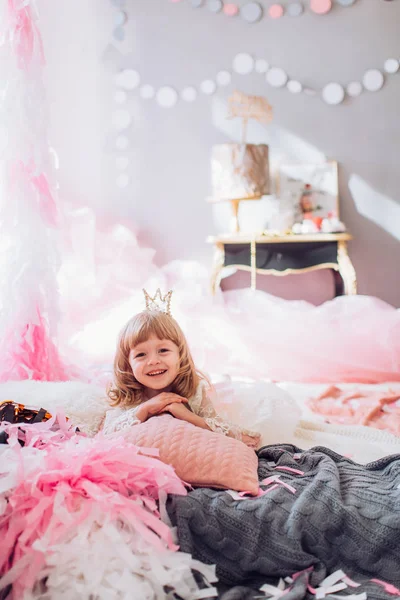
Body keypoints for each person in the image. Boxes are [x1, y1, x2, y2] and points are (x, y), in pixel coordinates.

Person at [103, 289, 261, 448]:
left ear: (180, 354)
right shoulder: (127, 396)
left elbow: (227, 432)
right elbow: (106, 436)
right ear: (128, 364)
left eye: (163, 351)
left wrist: (187, 415)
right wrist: (145, 409)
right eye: (141, 355)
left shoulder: (195, 391)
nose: (153, 361)